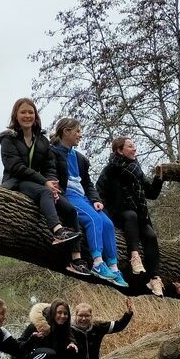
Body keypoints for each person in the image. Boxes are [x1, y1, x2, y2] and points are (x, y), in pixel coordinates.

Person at [0, 98, 89, 276]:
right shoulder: (7, 138)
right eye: (23, 112)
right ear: (16, 115)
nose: (27, 116)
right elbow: (15, 167)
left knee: (70, 210)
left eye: (30, 112)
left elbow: (50, 166)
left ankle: (76, 259)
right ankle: (57, 231)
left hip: (41, 183)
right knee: (45, 192)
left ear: (35, 115)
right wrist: (45, 182)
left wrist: (53, 182)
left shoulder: (42, 140)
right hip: (16, 182)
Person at [50, 118, 127, 286]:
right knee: (94, 220)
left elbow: (87, 184)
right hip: (68, 196)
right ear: (66, 132)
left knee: (107, 223)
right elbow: (50, 175)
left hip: (83, 197)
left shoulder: (80, 158)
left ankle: (113, 267)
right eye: (77, 131)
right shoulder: (53, 152)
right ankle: (98, 262)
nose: (80, 135)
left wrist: (95, 199)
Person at [96, 136, 166, 296]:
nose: (134, 149)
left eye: (134, 146)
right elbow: (100, 193)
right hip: (119, 214)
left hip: (139, 215)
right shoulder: (110, 170)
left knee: (151, 235)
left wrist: (158, 178)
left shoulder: (136, 169)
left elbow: (152, 193)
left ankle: (155, 278)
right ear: (119, 150)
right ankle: (134, 257)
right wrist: (104, 217)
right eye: (130, 146)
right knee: (130, 215)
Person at [12, 300, 79, 359]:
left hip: (43, 357)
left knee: (67, 350)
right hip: (22, 358)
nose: (63, 316)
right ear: (53, 313)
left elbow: (70, 336)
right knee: (48, 353)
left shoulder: (62, 327)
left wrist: (72, 344)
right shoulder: (38, 325)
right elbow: (19, 346)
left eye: (65, 313)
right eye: (59, 313)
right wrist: (32, 339)